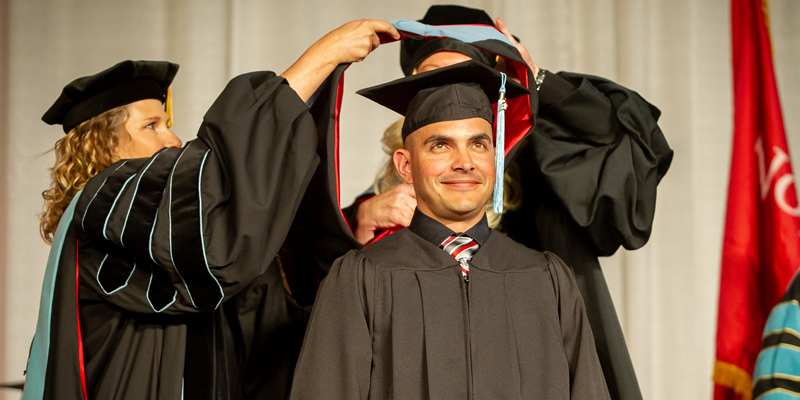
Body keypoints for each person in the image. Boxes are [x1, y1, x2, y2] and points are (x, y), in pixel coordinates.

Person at [25, 20, 400, 400]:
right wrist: (318, 60)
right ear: (101, 145)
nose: (172, 139)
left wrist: (350, 232)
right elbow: (218, 185)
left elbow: (257, 299)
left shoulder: (164, 243)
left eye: (168, 124)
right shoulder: (103, 199)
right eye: (152, 126)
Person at [342, 6, 674, 399]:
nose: (461, 161)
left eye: (465, 75)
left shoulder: (541, 164)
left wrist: (536, 79)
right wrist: (360, 216)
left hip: (534, 361)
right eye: (432, 75)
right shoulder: (392, 182)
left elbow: (632, 137)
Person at [290, 60, 611, 399]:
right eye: (440, 145)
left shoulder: (546, 278)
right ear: (406, 166)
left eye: (479, 144)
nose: (465, 162)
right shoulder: (362, 278)